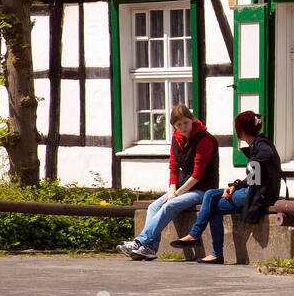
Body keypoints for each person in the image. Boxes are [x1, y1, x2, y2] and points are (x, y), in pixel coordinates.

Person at [172, 110, 282, 264]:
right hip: (253, 190)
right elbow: (253, 177)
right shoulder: (259, 143)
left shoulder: (261, 146)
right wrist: (236, 186)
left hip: (257, 195)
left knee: (214, 206)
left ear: (241, 130)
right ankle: (198, 237)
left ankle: (204, 243)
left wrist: (255, 160)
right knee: (210, 194)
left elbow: (264, 159)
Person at [116, 104, 218, 260]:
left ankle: (139, 242)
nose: (183, 127)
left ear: (191, 120)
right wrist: (171, 190)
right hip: (183, 188)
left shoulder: (204, 139)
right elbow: (173, 167)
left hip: (202, 189)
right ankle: (149, 249)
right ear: (173, 126)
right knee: (153, 206)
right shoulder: (176, 139)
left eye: (186, 122)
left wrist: (176, 194)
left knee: (170, 204)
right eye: (179, 124)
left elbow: (198, 175)